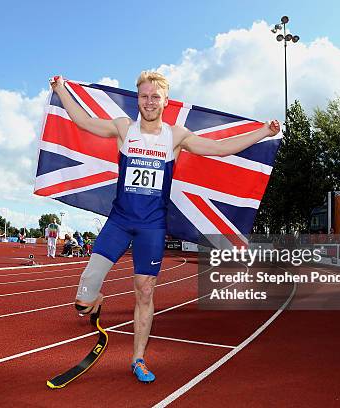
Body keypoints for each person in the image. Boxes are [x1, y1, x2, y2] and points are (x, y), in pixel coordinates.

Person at [50, 72, 280, 382]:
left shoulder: (176, 137)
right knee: (82, 300)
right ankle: (95, 301)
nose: (149, 102)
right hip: (119, 222)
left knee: (145, 291)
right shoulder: (123, 128)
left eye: (155, 97)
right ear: (138, 99)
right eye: (144, 96)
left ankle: (138, 359)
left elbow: (220, 148)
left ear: (165, 101)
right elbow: (83, 121)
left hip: (152, 227)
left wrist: (263, 132)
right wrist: (61, 89)